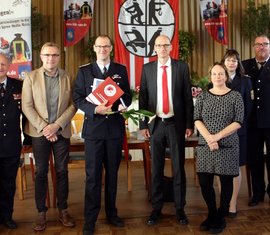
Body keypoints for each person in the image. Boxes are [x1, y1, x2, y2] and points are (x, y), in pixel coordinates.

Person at [73, 35, 131, 235]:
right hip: (94, 131)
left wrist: (123, 105)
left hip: (114, 130)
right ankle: (90, 219)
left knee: (113, 175)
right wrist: (94, 109)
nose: (103, 49)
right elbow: (78, 99)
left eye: (106, 46)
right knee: (93, 177)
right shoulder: (84, 71)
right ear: (95, 49)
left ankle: (112, 214)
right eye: (99, 46)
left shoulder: (120, 70)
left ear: (111, 48)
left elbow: (128, 96)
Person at [139, 35, 194, 226]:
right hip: (156, 125)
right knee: (156, 169)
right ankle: (157, 208)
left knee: (179, 167)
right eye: (158, 45)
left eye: (165, 45)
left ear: (171, 47)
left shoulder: (182, 67)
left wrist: (189, 124)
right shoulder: (147, 69)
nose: (162, 48)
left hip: (176, 124)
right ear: (154, 48)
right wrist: (143, 125)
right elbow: (143, 99)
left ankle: (180, 208)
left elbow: (187, 98)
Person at [22, 42, 77, 231]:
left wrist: (57, 126)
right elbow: (26, 106)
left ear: (59, 57)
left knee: (62, 171)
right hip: (39, 133)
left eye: (54, 55)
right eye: (47, 55)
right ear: (41, 57)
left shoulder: (68, 76)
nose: (51, 58)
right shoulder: (30, 77)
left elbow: (73, 104)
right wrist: (46, 128)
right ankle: (41, 212)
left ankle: (63, 209)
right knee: (41, 171)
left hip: (61, 131)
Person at [194, 62, 244, 234]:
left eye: (221, 74)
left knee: (226, 181)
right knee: (204, 181)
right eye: (214, 74)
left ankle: (221, 217)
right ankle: (212, 213)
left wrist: (217, 137)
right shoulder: (202, 96)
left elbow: (238, 121)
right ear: (210, 76)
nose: (217, 77)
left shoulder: (235, 96)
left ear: (226, 76)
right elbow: (197, 119)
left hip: (227, 145)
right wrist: (209, 138)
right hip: (206, 145)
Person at [209, 50, 253, 217]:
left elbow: (247, 109)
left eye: (234, 60)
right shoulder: (215, 81)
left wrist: (236, 126)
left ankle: (232, 202)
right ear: (223, 62)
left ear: (238, 63)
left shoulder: (245, 82)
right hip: (219, 133)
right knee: (221, 168)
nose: (231, 63)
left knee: (235, 168)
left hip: (238, 133)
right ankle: (224, 201)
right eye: (228, 60)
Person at [242, 34, 270, 207]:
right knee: (255, 159)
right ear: (253, 47)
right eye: (258, 44)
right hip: (252, 122)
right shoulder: (245, 66)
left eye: (265, 44)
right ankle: (258, 193)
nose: (262, 47)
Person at [0, 54, 23, 229]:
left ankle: (7, 216)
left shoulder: (19, 85)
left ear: (9, 66)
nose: (0, 67)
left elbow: (26, 113)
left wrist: (29, 138)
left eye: (3, 64)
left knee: (9, 184)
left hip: (12, 144)